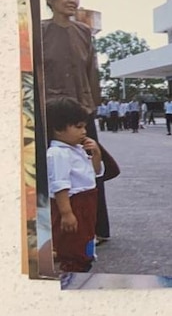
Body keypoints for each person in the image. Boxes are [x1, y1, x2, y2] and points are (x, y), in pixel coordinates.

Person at [41, 0, 112, 245]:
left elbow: (92, 72)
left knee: (90, 165)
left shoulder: (84, 32)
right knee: (54, 169)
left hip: (82, 110)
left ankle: (97, 227)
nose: (73, 0)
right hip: (52, 112)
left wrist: (92, 105)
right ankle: (53, 231)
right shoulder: (39, 32)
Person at [46, 96, 103, 273]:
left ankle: (81, 262)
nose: (84, 131)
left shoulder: (76, 148)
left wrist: (96, 153)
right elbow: (60, 185)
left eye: (84, 126)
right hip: (73, 204)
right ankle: (72, 269)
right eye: (78, 127)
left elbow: (95, 172)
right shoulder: (58, 153)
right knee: (73, 243)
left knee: (85, 238)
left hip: (86, 202)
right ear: (58, 129)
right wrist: (67, 213)